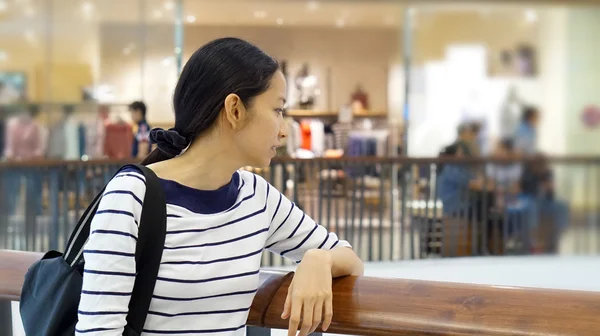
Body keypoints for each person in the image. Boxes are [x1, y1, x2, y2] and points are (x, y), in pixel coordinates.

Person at [75, 37, 364, 336]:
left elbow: (351, 260)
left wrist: (319, 258)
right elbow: (99, 330)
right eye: (278, 110)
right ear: (235, 110)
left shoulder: (256, 196)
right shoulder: (131, 196)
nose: (284, 130)